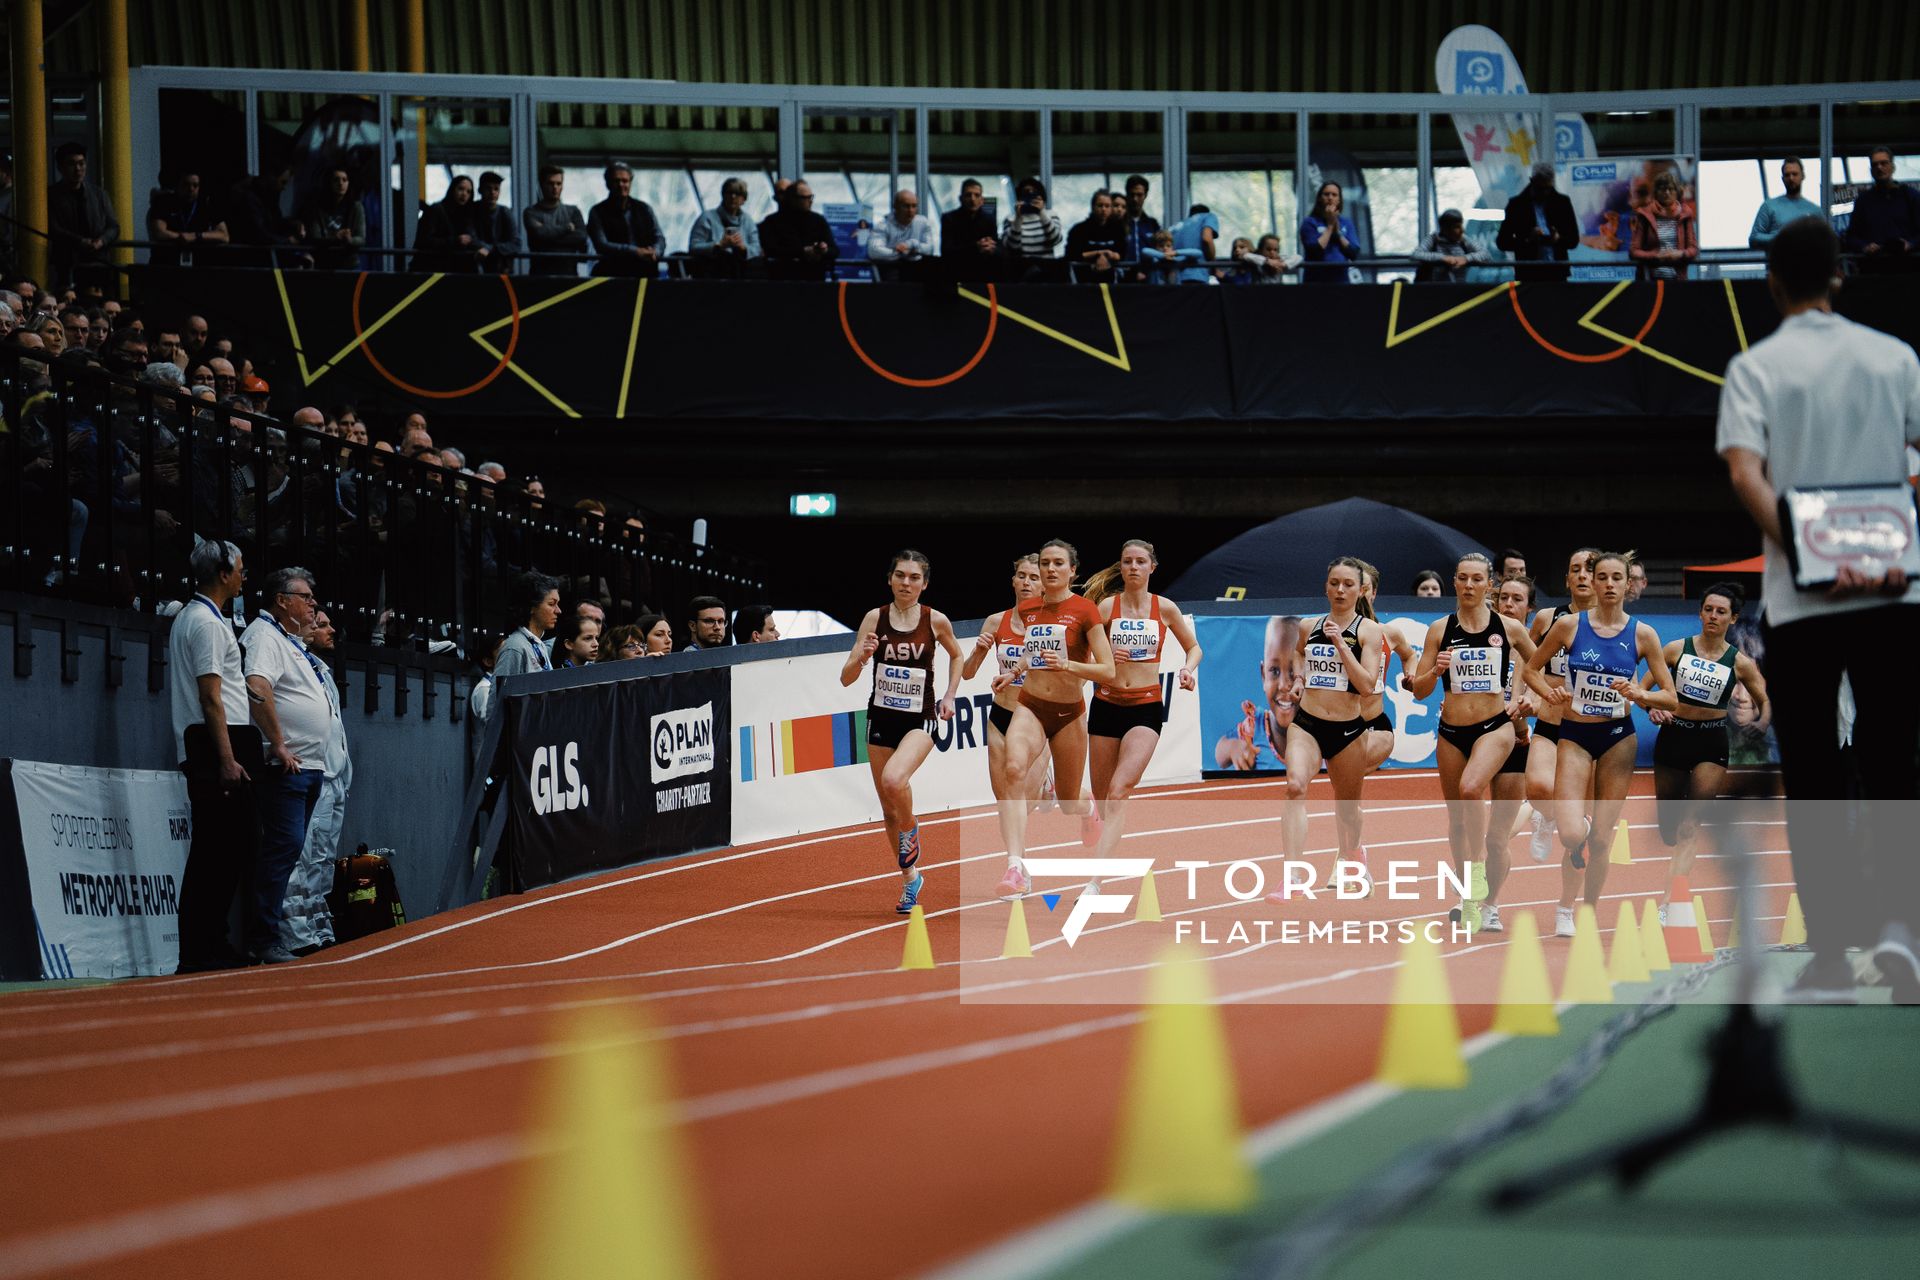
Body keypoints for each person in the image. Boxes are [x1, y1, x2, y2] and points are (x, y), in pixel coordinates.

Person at [1717, 215, 1920, 1000]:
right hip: (1894, 589)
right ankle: (1904, 932)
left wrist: (1809, 555)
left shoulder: (1754, 367)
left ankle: (1833, 951)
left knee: (1814, 773)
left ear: (1772, 284)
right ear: (1839, 276)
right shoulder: (1895, 356)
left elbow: (1744, 474)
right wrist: (1885, 538)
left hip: (1801, 603)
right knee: (1894, 759)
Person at [1524, 552, 1678, 937]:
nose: (1609, 584)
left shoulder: (1644, 635)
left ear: (1629, 585)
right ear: (1591, 583)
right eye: (1602, 577)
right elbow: (1530, 668)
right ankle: (1582, 832)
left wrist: (1638, 694)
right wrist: (1550, 694)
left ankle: (1587, 912)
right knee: (1573, 834)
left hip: (1617, 739)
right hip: (1574, 736)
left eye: (1616, 578)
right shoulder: (1568, 626)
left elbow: (1671, 697)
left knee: (1603, 840)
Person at [1408, 553, 1538, 932]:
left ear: (1489, 585)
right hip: (1453, 733)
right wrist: (1436, 669)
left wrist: (1533, 700)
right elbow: (1419, 689)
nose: (1468, 585)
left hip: (1502, 729)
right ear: (1455, 581)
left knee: (1493, 830)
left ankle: (1489, 901)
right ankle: (1469, 898)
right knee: (1458, 822)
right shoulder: (1439, 629)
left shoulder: (1510, 629)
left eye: (1476, 579)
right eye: (1462, 578)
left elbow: (1540, 667)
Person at [838, 550, 963, 913]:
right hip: (880, 719)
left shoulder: (935, 620)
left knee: (895, 781)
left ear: (925, 583)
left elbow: (957, 655)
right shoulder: (874, 618)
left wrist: (950, 695)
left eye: (914, 577)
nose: (906, 583)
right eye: (900, 576)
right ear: (890, 579)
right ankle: (911, 879)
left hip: (919, 720)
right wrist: (863, 656)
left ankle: (911, 829)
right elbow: (846, 677)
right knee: (887, 809)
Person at [991, 539, 1116, 896]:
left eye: (1058, 563)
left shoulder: (1086, 611)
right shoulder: (1030, 609)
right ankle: (1016, 867)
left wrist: (1070, 665)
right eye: (1045, 563)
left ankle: (1085, 805)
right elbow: (1035, 654)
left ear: (1072, 571)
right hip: (1030, 706)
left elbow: (1107, 670)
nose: (1049, 570)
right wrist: (1013, 670)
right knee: (1013, 770)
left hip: (1068, 714)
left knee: (1067, 800)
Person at [1646, 583, 1769, 917]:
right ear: (1700, 612)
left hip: (1711, 742)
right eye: (1709, 610)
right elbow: (1643, 689)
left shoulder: (1739, 662)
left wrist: (1759, 722)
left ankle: (1670, 901)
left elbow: (1764, 701)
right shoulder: (1675, 650)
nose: (1713, 616)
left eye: (1721, 612)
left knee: (1690, 826)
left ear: (1733, 618)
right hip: (1673, 738)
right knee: (1670, 831)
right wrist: (1651, 708)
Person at [1270, 558, 1388, 896]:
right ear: (1326, 586)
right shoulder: (1309, 625)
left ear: (1359, 590)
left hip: (1348, 729)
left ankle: (1355, 853)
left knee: (1347, 809)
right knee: (1294, 786)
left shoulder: (1369, 632)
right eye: (1334, 583)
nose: (1340, 590)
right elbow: (1298, 655)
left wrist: (1340, 644)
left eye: (1348, 584)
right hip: (1307, 724)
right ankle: (1292, 874)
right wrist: (1301, 678)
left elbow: (1367, 684)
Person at [237, 567, 337, 965]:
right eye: (306, 596)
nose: (313, 604)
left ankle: (271, 933)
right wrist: (278, 743)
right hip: (286, 767)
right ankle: (263, 937)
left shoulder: (289, 640)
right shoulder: (264, 636)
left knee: (290, 851)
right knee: (282, 850)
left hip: (308, 766)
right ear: (282, 600)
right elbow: (256, 685)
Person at [1083, 540, 1202, 872]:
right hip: (1106, 705)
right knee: (1106, 801)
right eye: (1127, 562)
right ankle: (1093, 814)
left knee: (1120, 791)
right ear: (1120, 568)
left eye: (1140, 562)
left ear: (1152, 567)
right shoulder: (1106, 608)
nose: (1133, 567)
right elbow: (1085, 658)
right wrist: (1104, 656)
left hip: (1145, 707)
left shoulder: (1165, 609)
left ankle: (1095, 880)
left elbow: (1194, 648)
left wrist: (1186, 670)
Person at [168, 540, 260, 972]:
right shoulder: (205, 623)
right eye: (240, 567)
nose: (245, 575)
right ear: (223, 572)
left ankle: (210, 944)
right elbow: (210, 697)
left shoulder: (199, 618)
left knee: (224, 850)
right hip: (215, 746)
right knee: (216, 851)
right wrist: (226, 759)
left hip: (215, 742)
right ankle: (202, 951)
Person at [1524, 548, 1602, 861]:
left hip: (1593, 730)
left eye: (1589, 569)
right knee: (1539, 788)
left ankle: (1568, 906)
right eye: (1575, 570)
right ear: (1567, 579)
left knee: (1582, 821)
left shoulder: (1617, 627)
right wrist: (1536, 694)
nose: (1582, 575)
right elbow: (1530, 665)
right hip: (1551, 722)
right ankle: (1547, 817)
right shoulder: (1547, 619)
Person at [963, 553, 1052, 808]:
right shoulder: (995, 621)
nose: (1026, 582)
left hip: (1037, 717)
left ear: (1044, 585)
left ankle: (1046, 784)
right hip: (1001, 715)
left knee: (1027, 803)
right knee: (1004, 801)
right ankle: (1015, 850)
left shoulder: (1052, 624)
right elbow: (968, 673)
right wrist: (979, 651)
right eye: (1021, 576)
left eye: (1034, 578)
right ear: (1013, 581)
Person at [282, 606, 348, 956]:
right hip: (310, 770)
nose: (329, 630)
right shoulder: (291, 660)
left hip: (334, 773)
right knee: (302, 854)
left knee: (322, 857)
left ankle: (318, 923)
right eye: (320, 624)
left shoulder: (320, 668)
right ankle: (296, 931)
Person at [1214, 614, 1301, 769]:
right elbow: (1220, 750)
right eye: (1274, 671)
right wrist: (1235, 748)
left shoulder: (1323, 728)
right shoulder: (1254, 728)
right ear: (1263, 675)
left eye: (1293, 671)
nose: (1283, 685)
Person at [48, 142, 119, 291]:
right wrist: (80, 241)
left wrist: (102, 240)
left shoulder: (99, 194)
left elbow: (113, 226)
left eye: (81, 163)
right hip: (67, 262)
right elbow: (53, 227)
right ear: (60, 167)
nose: (78, 169)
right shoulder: (52, 195)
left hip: (99, 260)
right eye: (72, 164)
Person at [1842, 145, 1920, 275]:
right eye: (1875, 165)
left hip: (1908, 270)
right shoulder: (1863, 201)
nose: (1879, 167)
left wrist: (1910, 244)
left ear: (1893, 167)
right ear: (1871, 170)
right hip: (1875, 272)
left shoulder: (1910, 197)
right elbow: (1851, 237)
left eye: (1884, 163)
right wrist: (1865, 247)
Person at [1498, 161, 1579, 283]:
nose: (1544, 193)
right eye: (1540, 189)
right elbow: (1502, 242)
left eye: (1548, 189)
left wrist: (1558, 239)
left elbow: (1573, 240)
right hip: (1529, 273)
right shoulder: (1516, 205)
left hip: (1556, 272)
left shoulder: (1562, 203)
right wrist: (1528, 239)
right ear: (1531, 181)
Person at [587, 162, 665, 278]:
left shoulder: (644, 208)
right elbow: (602, 245)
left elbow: (659, 237)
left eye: (625, 181)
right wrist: (635, 252)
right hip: (612, 274)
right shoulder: (597, 211)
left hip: (645, 273)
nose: (621, 185)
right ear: (608, 184)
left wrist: (655, 251)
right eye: (616, 181)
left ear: (630, 183)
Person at [491, 571, 560, 695]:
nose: (558, 611)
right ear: (531, 607)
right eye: (551, 604)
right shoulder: (514, 647)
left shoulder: (539, 645)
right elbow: (497, 699)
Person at [146, 171, 229, 267]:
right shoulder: (163, 202)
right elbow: (159, 233)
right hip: (166, 263)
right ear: (177, 185)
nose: (191, 189)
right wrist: (181, 237)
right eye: (186, 185)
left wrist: (196, 236)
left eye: (195, 185)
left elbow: (224, 236)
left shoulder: (206, 204)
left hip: (198, 265)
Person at [759, 180, 836, 281]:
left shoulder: (818, 220)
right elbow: (770, 249)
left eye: (811, 197)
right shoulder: (772, 222)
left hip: (814, 279)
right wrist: (802, 251)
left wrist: (824, 250)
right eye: (805, 198)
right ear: (793, 199)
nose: (810, 201)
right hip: (784, 279)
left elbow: (834, 250)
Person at [1629, 170, 1698, 281]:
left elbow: (1693, 249)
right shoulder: (1645, 215)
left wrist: (1680, 254)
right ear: (1656, 192)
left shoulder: (1686, 214)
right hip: (1649, 281)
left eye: (1671, 189)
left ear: (1677, 192)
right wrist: (1655, 256)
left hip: (1678, 280)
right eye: (1662, 189)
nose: (1666, 192)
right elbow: (1633, 251)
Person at [688, 177, 763, 279]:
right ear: (723, 195)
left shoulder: (748, 221)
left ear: (744, 199)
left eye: (737, 193)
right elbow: (694, 247)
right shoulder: (707, 218)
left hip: (742, 274)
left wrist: (743, 248)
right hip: (712, 274)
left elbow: (756, 248)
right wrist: (719, 245)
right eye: (729, 192)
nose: (733, 197)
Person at [523, 165, 590, 275]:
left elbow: (581, 237)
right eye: (550, 183)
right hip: (540, 275)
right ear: (541, 185)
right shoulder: (531, 212)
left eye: (558, 183)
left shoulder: (573, 211)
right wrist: (567, 228)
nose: (555, 187)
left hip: (569, 274)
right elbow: (539, 235)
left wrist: (547, 237)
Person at [1747, 157, 1823, 250]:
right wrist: (1782, 238)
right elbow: (1754, 238)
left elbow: (1824, 241)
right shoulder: (1769, 206)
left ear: (1802, 176)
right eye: (1787, 175)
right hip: (1779, 263)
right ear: (1782, 178)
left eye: (1794, 174)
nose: (1791, 178)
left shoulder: (1815, 211)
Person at [411, 175, 482, 273]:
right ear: (452, 189)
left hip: (454, 271)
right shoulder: (436, 210)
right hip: (431, 270)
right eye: (461, 189)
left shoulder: (467, 216)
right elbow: (424, 241)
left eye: (468, 192)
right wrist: (455, 241)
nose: (464, 194)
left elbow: (472, 238)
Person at [1000, 177, 1063, 281]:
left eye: (1034, 192)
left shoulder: (1051, 215)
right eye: (1026, 193)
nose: (1030, 195)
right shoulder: (1010, 218)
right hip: (1022, 269)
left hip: (1048, 268)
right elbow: (1012, 246)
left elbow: (1055, 239)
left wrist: (1042, 213)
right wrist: (1018, 218)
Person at [302, 167, 366, 270]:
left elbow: (361, 238)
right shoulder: (317, 207)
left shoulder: (355, 207)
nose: (341, 183)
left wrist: (350, 240)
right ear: (329, 183)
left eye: (344, 180)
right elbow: (315, 237)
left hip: (349, 264)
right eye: (336, 180)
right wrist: (335, 238)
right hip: (324, 264)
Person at [939, 179, 1001, 283]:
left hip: (984, 272)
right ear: (961, 198)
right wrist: (976, 247)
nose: (972, 199)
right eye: (968, 195)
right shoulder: (949, 218)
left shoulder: (989, 219)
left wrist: (992, 248)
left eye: (977, 195)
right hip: (957, 272)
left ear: (982, 200)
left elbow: (997, 246)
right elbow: (946, 251)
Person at [867, 189, 935, 281]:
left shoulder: (923, 222)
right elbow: (873, 251)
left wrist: (911, 244)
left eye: (914, 206)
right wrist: (901, 252)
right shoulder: (882, 225)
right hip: (891, 269)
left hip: (917, 268)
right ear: (896, 206)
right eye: (906, 206)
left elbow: (930, 248)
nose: (910, 210)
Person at [1300, 182, 1358, 284]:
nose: (1330, 198)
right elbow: (1315, 251)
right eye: (1326, 194)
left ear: (1339, 200)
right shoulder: (1309, 222)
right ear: (1319, 198)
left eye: (1334, 195)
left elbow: (1354, 252)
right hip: (1315, 282)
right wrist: (1330, 226)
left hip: (1341, 281)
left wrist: (1338, 234)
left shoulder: (1346, 223)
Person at [1411, 209, 1490, 283]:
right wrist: (1443, 258)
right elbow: (1416, 254)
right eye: (1456, 227)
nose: (1462, 230)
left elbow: (1485, 255)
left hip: (1458, 288)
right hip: (1435, 288)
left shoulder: (1464, 240)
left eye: (1461, 226)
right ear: (1445, 229)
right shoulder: (1433, 239)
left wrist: (1466, 258)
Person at [1064, 191, 1125, 283]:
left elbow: (1122, 252)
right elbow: (1071, 254)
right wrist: (1099, 253)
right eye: (1100, 205)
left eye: (1107, 206)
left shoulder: (1118, 230)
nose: (1104, 209)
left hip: (1111, 280)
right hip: (1082, 280)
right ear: (1093, 207)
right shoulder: (1079, 229)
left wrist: (1108, 255)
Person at [1114, 175, 1162, 281]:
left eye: (1139, 195)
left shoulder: (1152, 224)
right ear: (1127, 195)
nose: (1135, 199)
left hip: (1150, 279)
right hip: (1123, 280)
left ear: (1145, 195)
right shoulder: (1118, 223)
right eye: (1132, 195)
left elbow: (1160, 249)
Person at [473, 171, 522, 273]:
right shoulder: (472, 210)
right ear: (480, 190)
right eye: (488, 188)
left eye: (496, 189)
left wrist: (489, 249)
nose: (492, 193)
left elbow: (516, 243)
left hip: (502, 269)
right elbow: (470, 238)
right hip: (476, 267)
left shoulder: (505, 212)